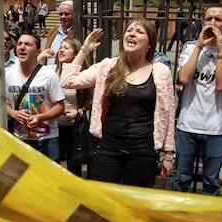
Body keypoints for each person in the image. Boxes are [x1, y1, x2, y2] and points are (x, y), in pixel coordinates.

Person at [61, 18, 175, 187]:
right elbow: (68, 81)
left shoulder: (160, 71)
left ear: (150, 43)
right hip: (109, 149)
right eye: (129, 30)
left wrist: (168, 154)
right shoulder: (108, 66)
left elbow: (168, 112)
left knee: (135, 203)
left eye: (139, 31)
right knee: (104, 200)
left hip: (143, 151)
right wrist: (84, 49)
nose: (132, 33)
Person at [173, 4, 222, 195]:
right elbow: (184, 78)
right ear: (202, 21)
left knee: (211, 183)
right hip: (187, 126)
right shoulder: (190, 47)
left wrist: (219, 48)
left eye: (218, 19)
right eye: (208, 19)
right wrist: (199, 47)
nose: (212, 23)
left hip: (216, 128)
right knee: (181, 180)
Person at [5, 32, 65, 162]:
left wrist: (40, 117)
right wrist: (14, 113)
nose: (22, 47)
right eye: (20, 44)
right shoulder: (8, 75)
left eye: (28, 44)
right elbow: (2, 103)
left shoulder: (49, 76)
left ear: (38, 51)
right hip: (19, 139)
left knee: (49, 181)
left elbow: (60, 107)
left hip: (47, 140)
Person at [38, 38, 92, 176]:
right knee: (52, 163)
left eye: (66, 48)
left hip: (73, 126)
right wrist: (40, 57)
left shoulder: (82, 75)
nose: (61, 50)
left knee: (74, 165)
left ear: (75, 53)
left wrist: (78, 111)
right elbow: (32, 73)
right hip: (52, 125)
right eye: (61, 47)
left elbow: (89, 101)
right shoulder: (51, 71)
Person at [44, 0, 74, 65]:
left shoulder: (81, 33)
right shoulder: (52, 31)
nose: (63, 17)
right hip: (49, 71)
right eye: (60, 14)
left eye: (66, 14)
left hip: (66, 73)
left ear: (74, 14)